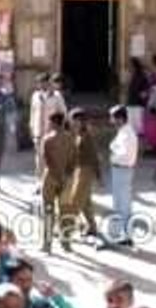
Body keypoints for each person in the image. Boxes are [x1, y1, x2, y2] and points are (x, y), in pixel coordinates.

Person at [6, 258, 78, 308]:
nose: (25, 284)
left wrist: (56, 298)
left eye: (29, 279)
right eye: (20, 280)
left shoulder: (40, 306)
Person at [40, 111, 76, 253]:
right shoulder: (70, 138)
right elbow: (73, 160)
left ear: (53, 122)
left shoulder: (48, 139)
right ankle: (66, 243)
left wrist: (56, 175)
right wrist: (66, 175)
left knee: (49, 211)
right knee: (65, 211)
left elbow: (47, 160)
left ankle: (47, 244)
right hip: (66, 179)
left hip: (51, 178)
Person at [65, 108, 101, 247]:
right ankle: (92, 228)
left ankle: (66, 230)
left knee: (75, 201)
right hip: (79, 170)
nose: (72, 122)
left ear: (80, 121)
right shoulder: (78, 134)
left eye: (74, 120)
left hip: (85, 171)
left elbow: (94, 157)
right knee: (86, 203)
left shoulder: (86, 137)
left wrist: (98, 176)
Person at [107, 105, 138, 246]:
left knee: (122, 205)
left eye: (113, 117)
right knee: (120, 203)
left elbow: (124, 155)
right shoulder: (123, 132)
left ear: (119, 118)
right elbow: (113, 146)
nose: (111, 120)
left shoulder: (127, 134)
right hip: (120, 170)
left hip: (123, 170)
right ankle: (119, 233)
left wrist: (113, 157)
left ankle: (125, 235)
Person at [28, 74, 51, 184]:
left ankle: (49, 182)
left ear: (48, 82)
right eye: (40, 82)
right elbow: (32, 112)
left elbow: (63, 113)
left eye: (44, 82)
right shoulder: (35, 96)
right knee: (39, 158)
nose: (42, 85)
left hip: (50, 132)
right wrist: (31, 127)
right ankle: (39, 182)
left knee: (50, 158)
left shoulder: (55, 96)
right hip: (38, 131)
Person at [126, 57, 149, 136]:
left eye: (130, 65)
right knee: (132, 127)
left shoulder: (142, 76)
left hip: (138, 104)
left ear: (134, 66)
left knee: (139, 127)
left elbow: (145, 90)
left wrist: (142, 95)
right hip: (131, 103)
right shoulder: (132, 76)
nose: (129, 67)